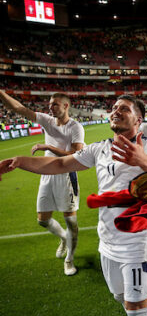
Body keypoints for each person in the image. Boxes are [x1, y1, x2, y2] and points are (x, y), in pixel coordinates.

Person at [0, 95, 147, 316]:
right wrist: (20, 161)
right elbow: (61, 163)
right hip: (107, 241)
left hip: (138, 241)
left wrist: (142, 160)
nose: (116, 111)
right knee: (121, 298)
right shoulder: (99, 148)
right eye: (114, 107)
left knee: (136, 307)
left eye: (125, 109)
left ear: (139, 120)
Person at [0, 90, 84, 276]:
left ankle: (69, 259)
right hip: (46, 173)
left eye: (55, 104)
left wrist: (48, 147)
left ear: (65, 106)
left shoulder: (75, 127)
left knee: (71, 221)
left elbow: (76, 155)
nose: (50, 107)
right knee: (43, 220)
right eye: (49, 104)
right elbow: (18, 107)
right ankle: (63, 238)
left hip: (66, 174)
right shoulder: (46, 120)